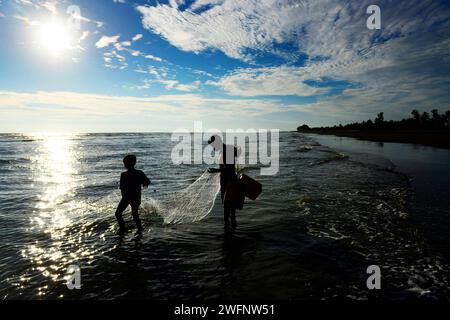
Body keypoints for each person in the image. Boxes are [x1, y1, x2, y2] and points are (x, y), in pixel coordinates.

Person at [207, 135, 240, 228]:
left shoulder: (227, 150)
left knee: (227, 204)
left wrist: (215, 171)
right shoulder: (226, 150)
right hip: (229, 180)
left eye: (213, 145)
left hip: (229, 182)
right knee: (231, 205)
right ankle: (232, 226)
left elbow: (229, 168)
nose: (213, 147)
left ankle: (228, 227)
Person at [115, 154, 151, 232]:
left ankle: (123, 228)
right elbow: (147, 181)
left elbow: (122, 188)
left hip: (127, 197)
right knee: (135, 214)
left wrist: (124, 197)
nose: (125, 165)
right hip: (136, 197)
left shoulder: (124, 174)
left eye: (125, 163)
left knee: (118, 213)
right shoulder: (139, 173)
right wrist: (144, 183)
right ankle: (139, 229)